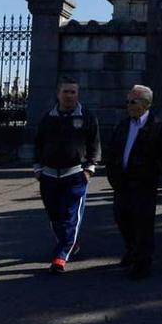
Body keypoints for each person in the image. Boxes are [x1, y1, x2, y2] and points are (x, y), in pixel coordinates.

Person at [105, 85, 162, 280]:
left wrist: (152, 173)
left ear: (145, 104)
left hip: (144, 185)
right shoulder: (123, 125)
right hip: (122, 183)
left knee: (143, 224)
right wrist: (112, 174)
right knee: (122, 218)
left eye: (132, 102)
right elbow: (112, 150)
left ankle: (143, 262)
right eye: (127, 101)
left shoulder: (158, 127)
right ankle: (132, 249)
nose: (128, 105)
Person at [32, 76, 101, 273]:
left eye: (73, 92)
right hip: (49, 176)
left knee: (71, 215)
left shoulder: (87, 116)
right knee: (55, 216)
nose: (70, 95)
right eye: (66, 91)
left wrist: (90, 169)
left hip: (75, 174)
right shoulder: (48, 118)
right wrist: (37, 167)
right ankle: (69, 242)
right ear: (58, 93)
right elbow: (38, 143)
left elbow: (94, 144)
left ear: (77, 94)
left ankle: (61, 256)